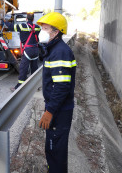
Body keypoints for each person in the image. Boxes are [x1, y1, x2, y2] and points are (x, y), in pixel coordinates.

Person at [37, 12, 76, 173]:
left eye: (45, 29)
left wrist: (50, 111)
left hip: (60, 110)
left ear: (56, 32)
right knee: (52, 148)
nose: (42, 32)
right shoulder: (53, 49)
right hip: (57, 107)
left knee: (56, 151)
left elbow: (61, 87)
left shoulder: (60, 52)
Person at [4, 12, 41, 91]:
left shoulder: (22, 26)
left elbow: (10, 27)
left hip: (28, 50)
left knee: (23, 68)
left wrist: (4, 21)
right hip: (36, 50)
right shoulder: (37, 27)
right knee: (34, 68)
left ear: (26, 19)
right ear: (33, 19)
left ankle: (19, 86)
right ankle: (36, 86)